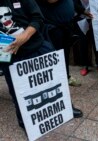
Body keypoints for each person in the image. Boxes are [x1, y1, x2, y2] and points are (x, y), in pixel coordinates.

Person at [0, 0, 55, 129]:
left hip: (35, 47)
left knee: (51, 83)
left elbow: (38, 18)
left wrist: (24, 36)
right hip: (8, 55)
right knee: (18, 91)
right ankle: (24, 120)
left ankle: (62, 109)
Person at [36, 0, 83, 118]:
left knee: (63, 60)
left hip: (65, 26)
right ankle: (61, 103)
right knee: (55, 64)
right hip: (52, 28)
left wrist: (82, 11)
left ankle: (65, 79)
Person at [73, 0, 98, 76]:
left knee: (97, 41)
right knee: (83, 43)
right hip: (81, 18)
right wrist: (84, 11)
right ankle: (85, 66)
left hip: (95, 17)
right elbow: (74, 4)